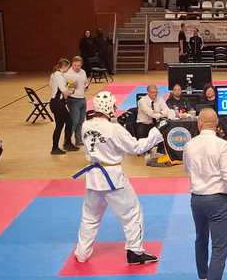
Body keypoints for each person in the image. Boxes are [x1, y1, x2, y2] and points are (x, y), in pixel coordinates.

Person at [72, 91, 164, 265]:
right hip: (112, 177)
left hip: (93, 177)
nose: (115, 108)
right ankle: (135, 252)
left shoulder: (86, 125)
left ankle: (82, 253)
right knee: (132, 213)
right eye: (113, 106)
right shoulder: (114, 129)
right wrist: (155, 133)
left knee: (90, 217)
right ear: (108, 107)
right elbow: (136, 148)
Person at [183, 108, 227, 280]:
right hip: (217, 200)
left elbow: (186, 169)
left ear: (199, 123)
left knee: (201, 238)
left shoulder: (189, 145)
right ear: (216, 124)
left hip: (197, 199)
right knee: (219, 249)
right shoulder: (223, 145)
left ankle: (203, 277)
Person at [64, 56, 88, 149]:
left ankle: (78, 140)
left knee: (81, 121)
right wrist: (72, 86)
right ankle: (67, 142)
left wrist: (86, 85)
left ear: (81, 65)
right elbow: (66, 87)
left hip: (82, 98)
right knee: (74, 121)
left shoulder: (83, 72)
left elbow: (85, 82)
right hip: (73, 100)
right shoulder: (68, 74)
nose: (77, 67)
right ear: (72, 64)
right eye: (75, 65)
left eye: (78, 65)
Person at [49, 59, 71, 155]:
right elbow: (64, 91)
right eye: (68, 67)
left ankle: (58, 147)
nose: (68, 69)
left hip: (55, 102)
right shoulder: (59, 75)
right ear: (64, 66)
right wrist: (72, 91)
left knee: (61, 125)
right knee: (68, 122)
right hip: (58, 103)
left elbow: (50, 85)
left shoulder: (54, 74)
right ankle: (65, 144)